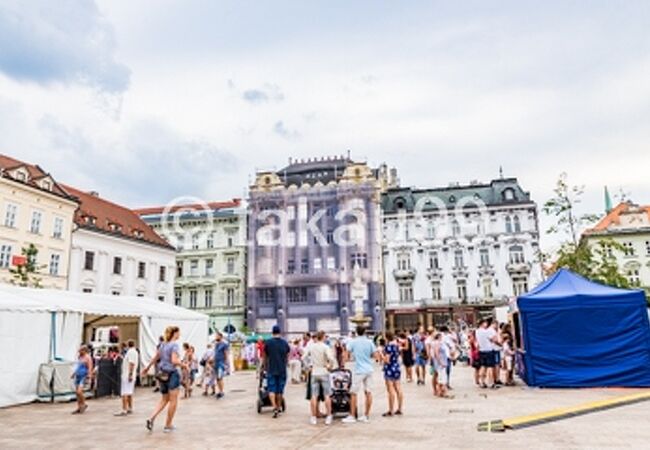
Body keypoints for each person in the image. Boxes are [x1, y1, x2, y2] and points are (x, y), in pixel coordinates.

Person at [141, 326, 184, 433]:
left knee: (164, 399)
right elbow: (174, 361)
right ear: (174, 333)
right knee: (173, 400)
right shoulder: (174, 345)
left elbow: (156, 357)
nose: (179, 335)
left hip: (162, 374)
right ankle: (168, 425)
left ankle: (151, 418)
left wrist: (147, 367)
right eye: (178, 333)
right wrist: (183, 365)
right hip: (172, 374)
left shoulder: (163, 344)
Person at [342, 325, 378, 424]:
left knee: (353, 393)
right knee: (368, 392)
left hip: (359, 370)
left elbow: (346, 353)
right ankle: (366, 415)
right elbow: (375, 355)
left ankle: (352, 415)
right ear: (365, 331)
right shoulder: (370, 342)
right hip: (369, 369)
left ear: (356, 332)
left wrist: (344, 362)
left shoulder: (353, 342)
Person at [303, 330, 336, 425]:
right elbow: (331, 358)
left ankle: (313, 417)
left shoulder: (311, 347)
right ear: (323, 337)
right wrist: (330, 366)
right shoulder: (325, 347)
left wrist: (308, 367)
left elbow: (303, 357)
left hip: (314, 372)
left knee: (314, 396)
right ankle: (329, 416)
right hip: (324, 371)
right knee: (327, 395)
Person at [263, 325, 290, 418]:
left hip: (271, 369)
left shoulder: (268, 343)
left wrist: (264, 367)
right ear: (280, 332)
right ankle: (278, 407)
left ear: (272, 332)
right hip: (282, 369)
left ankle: (274, 407)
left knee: (271, 389)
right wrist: (285, 363)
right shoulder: (284, 343)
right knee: (280, 390)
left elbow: (265, 357)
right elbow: (287, 356)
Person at [381, 332, 404, 417]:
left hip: (389, 368)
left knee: (390, 390)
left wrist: (381, 355)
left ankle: (391, 410)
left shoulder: (388, 347)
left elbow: (387, 360)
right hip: (396, 367)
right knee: (398, 388)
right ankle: (400, 408)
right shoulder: (397, 346)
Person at [115, 339, 138, 416]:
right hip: (130, 374)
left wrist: (130, 374)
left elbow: (131, 363)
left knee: (124, 392)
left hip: (127, 375)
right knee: (129, 392)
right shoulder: (134, 352)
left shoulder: (130, 352)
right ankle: (130, 408)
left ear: (128, 345)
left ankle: (124, 409)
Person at [476, 319, 499, 389]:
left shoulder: (477, 331)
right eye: (485, 323)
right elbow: (494, 340)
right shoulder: (486, 332)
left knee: (483, 366)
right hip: (488, 350)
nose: (486, 324)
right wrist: (495, 337)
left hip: (481, 350)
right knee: (490, 367)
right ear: (482, 324)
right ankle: (491, 383)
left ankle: (481, 382)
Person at [71, 345, 93, 414]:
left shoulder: (87, 357)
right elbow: (78, 366)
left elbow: (90, 367)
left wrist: (89, 375)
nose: (79, 351)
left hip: (83, 375)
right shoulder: (80, 357)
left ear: (84, 350)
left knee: (79, 391)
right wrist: (74, 373)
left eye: (81, 350)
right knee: (77, 393)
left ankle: (83, 403)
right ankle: (79, 406)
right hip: (78, 375)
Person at [431, 333, 451, 398]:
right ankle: (444, 392)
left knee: (440, 377)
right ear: (439, 337)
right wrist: (440, 362)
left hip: (439, 362)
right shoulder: (438, 343)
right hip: (441, 363)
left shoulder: (434, 343)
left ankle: (440, 392)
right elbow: (436, 353)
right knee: (442, 378)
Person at [212, 332, 229, 399]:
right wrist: (213, 361)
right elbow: (215, 354)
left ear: (220, 337)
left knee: (220, 377)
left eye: (216, 336)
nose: (215, 337)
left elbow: (226, 354)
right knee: (217, 378)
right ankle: (219, 391)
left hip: (221, 363)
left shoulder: (224, 344)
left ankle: (221, 391)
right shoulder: (216, 345)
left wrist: (226, 363)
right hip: (216, 362)